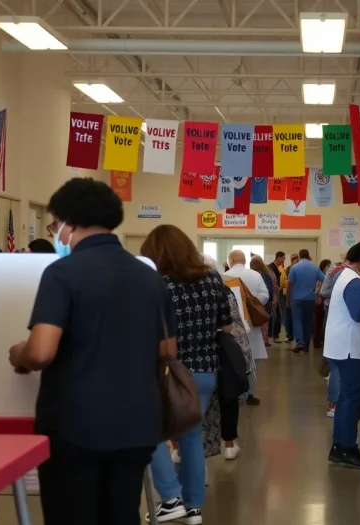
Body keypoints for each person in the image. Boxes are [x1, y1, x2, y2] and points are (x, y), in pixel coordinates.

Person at [7, 178, 169, 525]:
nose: (57, 233)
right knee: (121, 514)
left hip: (75, 426)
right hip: (137, 424)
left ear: (70, 222)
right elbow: (166, 350)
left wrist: (19, 354)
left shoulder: (62, 273)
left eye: (55, 225)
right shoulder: (149, 277)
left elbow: (40, 352)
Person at [141, 224, 233, 525]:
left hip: (169, 369)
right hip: (206, 369)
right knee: (191, 435)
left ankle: (171, 497)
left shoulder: (157, 283)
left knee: (149, 431)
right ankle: (193, 508)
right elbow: (227, 326)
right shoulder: (212, 279)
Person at [324, 239, 360, 468]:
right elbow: (358, 313)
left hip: (343, 346)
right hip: (350, 349)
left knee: (345, 398)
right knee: (352, 399)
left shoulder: (346, 277)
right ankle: (347, 448)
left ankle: (339, 447)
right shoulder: (354, 282)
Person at [203, 255, 255, 461]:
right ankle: (229, 444)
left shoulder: (187, 290)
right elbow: (235, 326)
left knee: (203, 402)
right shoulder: (225, 291)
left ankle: (199, 448)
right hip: (225, 351)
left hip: (200, 354)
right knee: (229, 396)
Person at [226, 250, 269, 406]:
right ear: (244, 260)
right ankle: (250, 393)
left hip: (232, 324)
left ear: (230, 260)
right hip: (251, 322)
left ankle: (236, 392)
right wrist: (252, 304)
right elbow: (265, 295)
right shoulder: (255, 275)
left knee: (234, 358)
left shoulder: (225, 276)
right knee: (252, 357)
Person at [319, 258, 348, 417]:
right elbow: (323, 292)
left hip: (338, 317)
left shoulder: (341, 273)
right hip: (335, 314)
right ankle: (333, 404)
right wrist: (339, 291)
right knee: (336, 361)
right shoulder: (336, 272)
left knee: (337, 361)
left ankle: (335, 402)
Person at [287, 249, 325, 353]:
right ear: (308, 256)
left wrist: (288, 297)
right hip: (310, 298)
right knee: (308, 322)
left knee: (297, 320)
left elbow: (290, 283)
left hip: (296, 298)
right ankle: (307, 345)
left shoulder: (294, 267)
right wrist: (317, 292)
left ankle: (300, 342)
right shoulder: (315, 267)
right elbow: (324, 279)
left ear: (299, 256)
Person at [250, 255, 277, 347]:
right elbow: (270, 289)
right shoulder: (267, 274)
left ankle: (257, 341)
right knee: (265, 323)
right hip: (266, 302)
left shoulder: (253, 275)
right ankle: (264, 340)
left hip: (254, 303)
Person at [313, 259, 332, 349]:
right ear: (324, 267)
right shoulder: (322, 277)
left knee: (320, 322)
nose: (329, 268)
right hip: (319, 301)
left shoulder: (322, 276)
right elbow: (319, 291)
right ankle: (318, 341)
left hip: (320, 301)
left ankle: (319, 341)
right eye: (328, 266)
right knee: (320, 322)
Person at [267, 251, 285, 341]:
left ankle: (275, 334)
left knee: (277, 314)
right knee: (275, 314)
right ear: (278, 258)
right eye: (283, 258)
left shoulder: (278, 267)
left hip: (277, 292)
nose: (284, 260)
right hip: (274, 294)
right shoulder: (271, 267)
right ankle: (273, 334)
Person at [282, 253, 299, 343]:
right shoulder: (288, 269)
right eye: (293, 259)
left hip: (296, 296)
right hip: (290, 295)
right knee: (289, 316)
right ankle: (289, 334)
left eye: (296, 259)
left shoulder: (298, 269)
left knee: (295, 317)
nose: (295, 260)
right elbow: (286, 282)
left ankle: (296, 335)